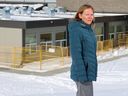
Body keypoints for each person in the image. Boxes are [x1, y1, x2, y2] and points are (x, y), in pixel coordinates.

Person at [68, 4, 98, 96]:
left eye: (91, 14)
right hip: (82, 72)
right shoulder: (77, 30)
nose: (90, 17)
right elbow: (76, 54)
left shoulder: (88, 29)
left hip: (88, 71)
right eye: (87, 14)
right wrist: (82, 74)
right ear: (80, 15)